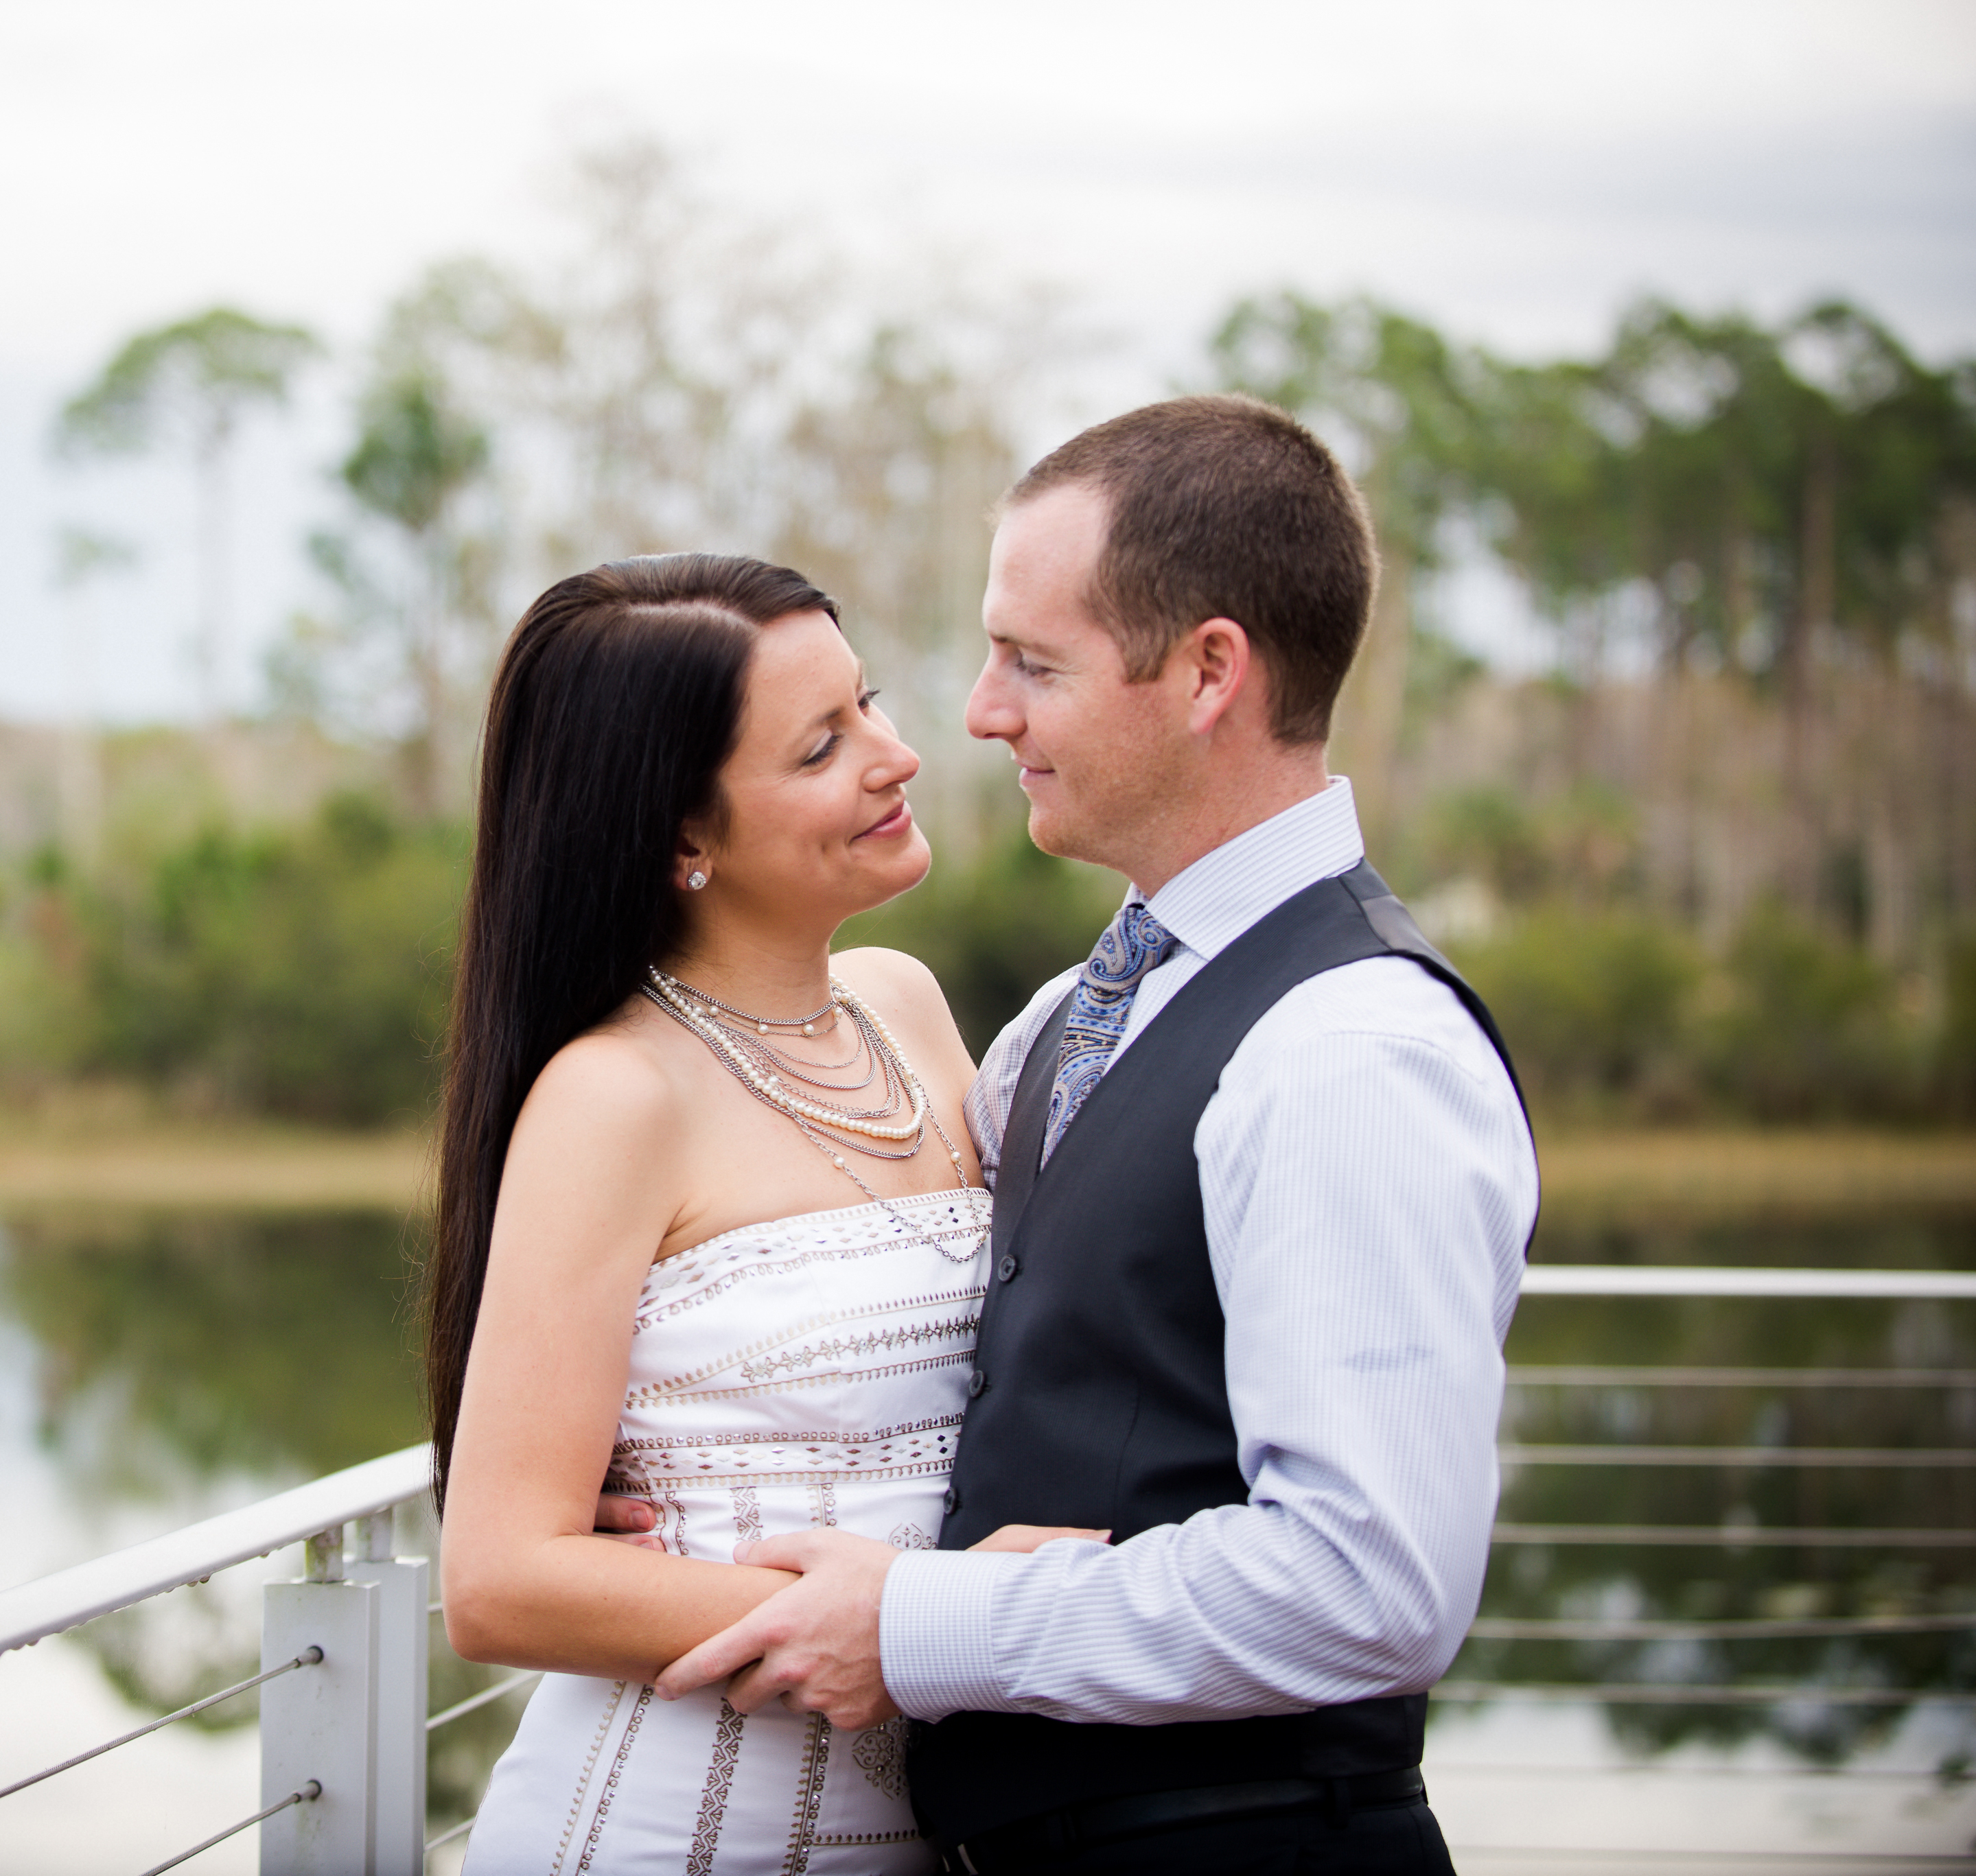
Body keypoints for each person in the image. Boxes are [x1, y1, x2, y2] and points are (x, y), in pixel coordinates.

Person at [653, 396, 1539, 1874]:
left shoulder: (1349, 1049)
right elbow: (935, 1296)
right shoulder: (1080, 1010)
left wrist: (917, 1621)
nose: (979, 712)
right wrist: (686, 1470)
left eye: (1031, 662)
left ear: (1206, 673)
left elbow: (1365, 1582)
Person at [435, 553, 1074, 1869]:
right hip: (673, 1831)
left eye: (871, 702)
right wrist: (910, 1625)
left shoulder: (904, 1004)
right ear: (683, 836)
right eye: (821, 746)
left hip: (935, 1828)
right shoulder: (612, 1095)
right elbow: (497, 1578)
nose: (897, 755)